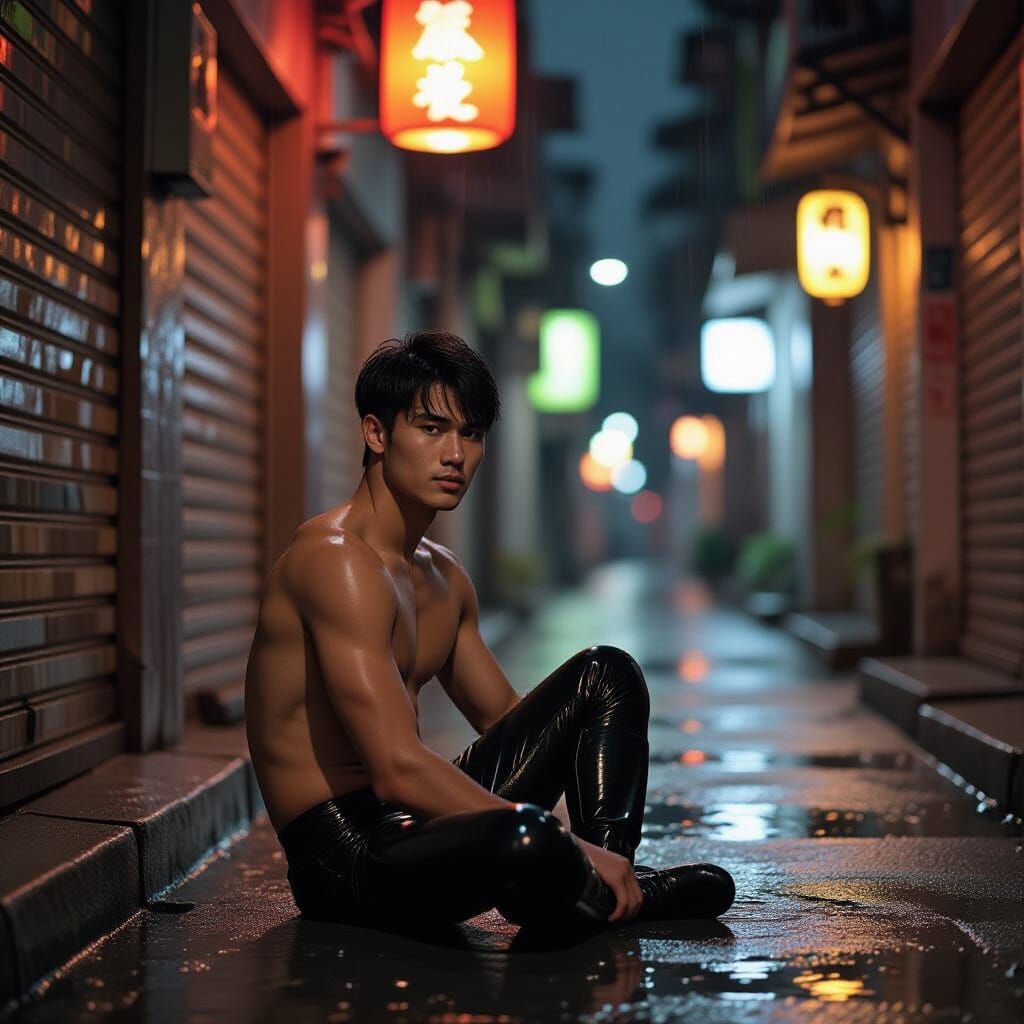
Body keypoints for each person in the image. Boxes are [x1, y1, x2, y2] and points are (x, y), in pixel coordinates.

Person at [244, 330, 734, 936]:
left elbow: (511, 722)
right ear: (376, 433)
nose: (455, 454)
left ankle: (607, 886)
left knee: (606, 674)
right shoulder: (334, 561)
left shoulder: (442, 577)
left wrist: (582, 843)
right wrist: (561, 842)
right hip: (346, 861)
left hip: (414, 829)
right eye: (431, 429)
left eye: (471, 434)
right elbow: (396, 768)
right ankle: (582, 880)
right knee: (528, 833)